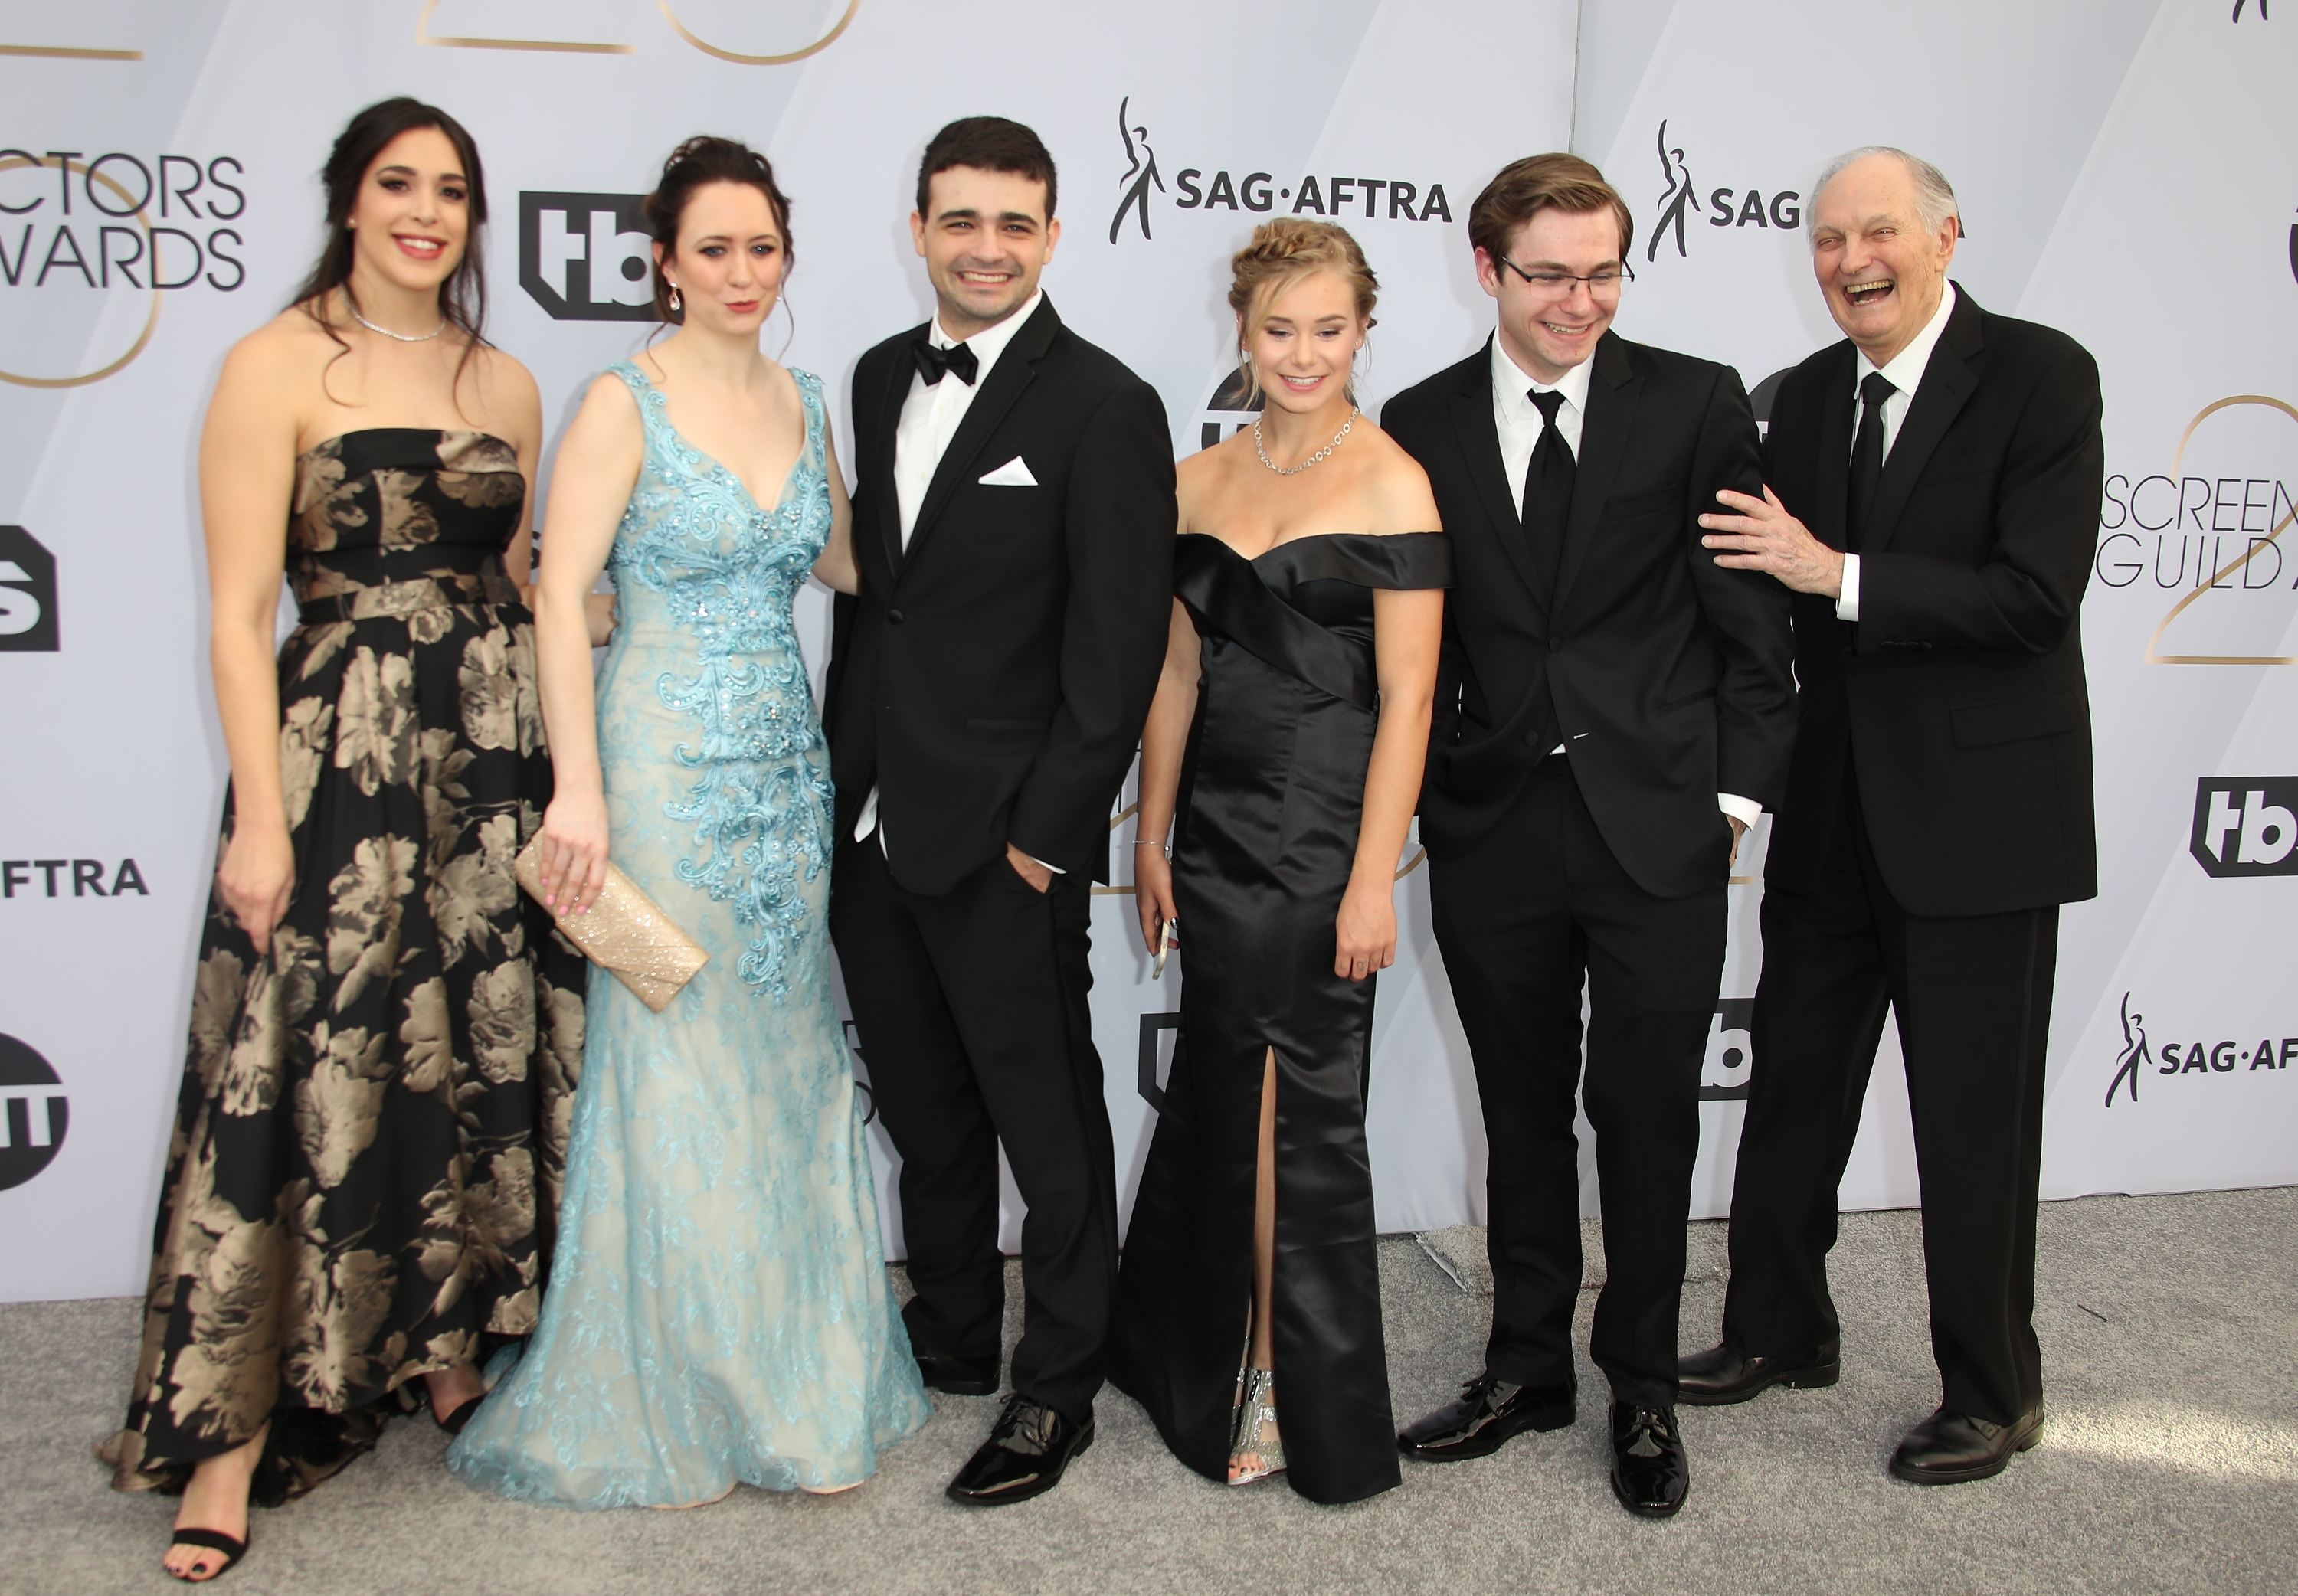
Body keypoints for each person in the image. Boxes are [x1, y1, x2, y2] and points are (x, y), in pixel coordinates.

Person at [98, 98, 597, 1582]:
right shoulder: (271, 365)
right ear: (348, 198)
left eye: (451, 190)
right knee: (304, 1058)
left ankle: (442, 1350)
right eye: (399, 184)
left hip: (490, 757)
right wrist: (259, 816)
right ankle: (227, 1439)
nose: (425, 213)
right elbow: (234, 613)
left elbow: (521, 584)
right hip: (339, 765)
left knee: (468, 1047)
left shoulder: (502, 374)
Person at [446, 137, 930, 1508]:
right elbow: (557, 595)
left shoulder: (806, 397)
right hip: (654, 774)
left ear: (788, 257)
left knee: (782, 1060)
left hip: (787, 774)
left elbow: (843, 562)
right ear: (664, 260)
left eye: (761, 248)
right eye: (711, 249)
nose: (739, 272)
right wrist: (581, 790)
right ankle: (681, 1384)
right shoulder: (620, 402)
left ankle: (790, 1382)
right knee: (678, 1056)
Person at [1381, 154, 1796, 1519]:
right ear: (1487, 268)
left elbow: (1749, 624)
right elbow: (1414, 646)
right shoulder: (1420, 420)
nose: (1579, 301)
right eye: (1550, 273)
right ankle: (1525, 1369)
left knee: (1648, 1117)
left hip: (1658, 826)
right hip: (1493, 824)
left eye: (1603, 271)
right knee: (1519, 1109)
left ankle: (1643, 1388)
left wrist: (1731, 804)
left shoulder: (1691, 401)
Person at [1682, 146, 2101, 1486]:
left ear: (1947, 236)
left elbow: (2033, 596)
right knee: (1794, 1087)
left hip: (1980, 820)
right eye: (1825, 238)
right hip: (1828, 812)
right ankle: (1777, 1330)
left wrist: (1838, 572)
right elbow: (1749, 594)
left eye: (1878, 233)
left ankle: (1994, 1389)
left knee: (1975, 1117)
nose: (1851, 260)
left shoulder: (2042, 375)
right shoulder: (1798, 399)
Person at [824, 116, 1176, 1507]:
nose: (986, 247)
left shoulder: (1106, 404)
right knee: (924, 1109)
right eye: (961, 220)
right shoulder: (870, 378)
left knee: (1050, 1120)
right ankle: (957, 1335)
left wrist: (1046, 837)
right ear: (918, 228)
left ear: (1052, 234)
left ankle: (1059, 1383)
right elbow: (886, 604)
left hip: (1008, 841)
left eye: (1014, 222)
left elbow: (1119, 646)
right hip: (872, 825)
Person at [1111, 221, 1447, 1504]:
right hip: (1213, 831)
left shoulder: (1395, 483)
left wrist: (1373, 877)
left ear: (1364, 330)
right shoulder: (1197, 481)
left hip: (1321, 840)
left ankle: (1275, 1370)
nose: (1303, 354)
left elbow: (1409, 702)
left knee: (1284, 1109)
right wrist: (1149, 834)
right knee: (1220, 1085)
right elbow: (1176, 670)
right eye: (1278, 330)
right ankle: (1192, 1342)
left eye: (1328, 328)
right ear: (1240, 334)